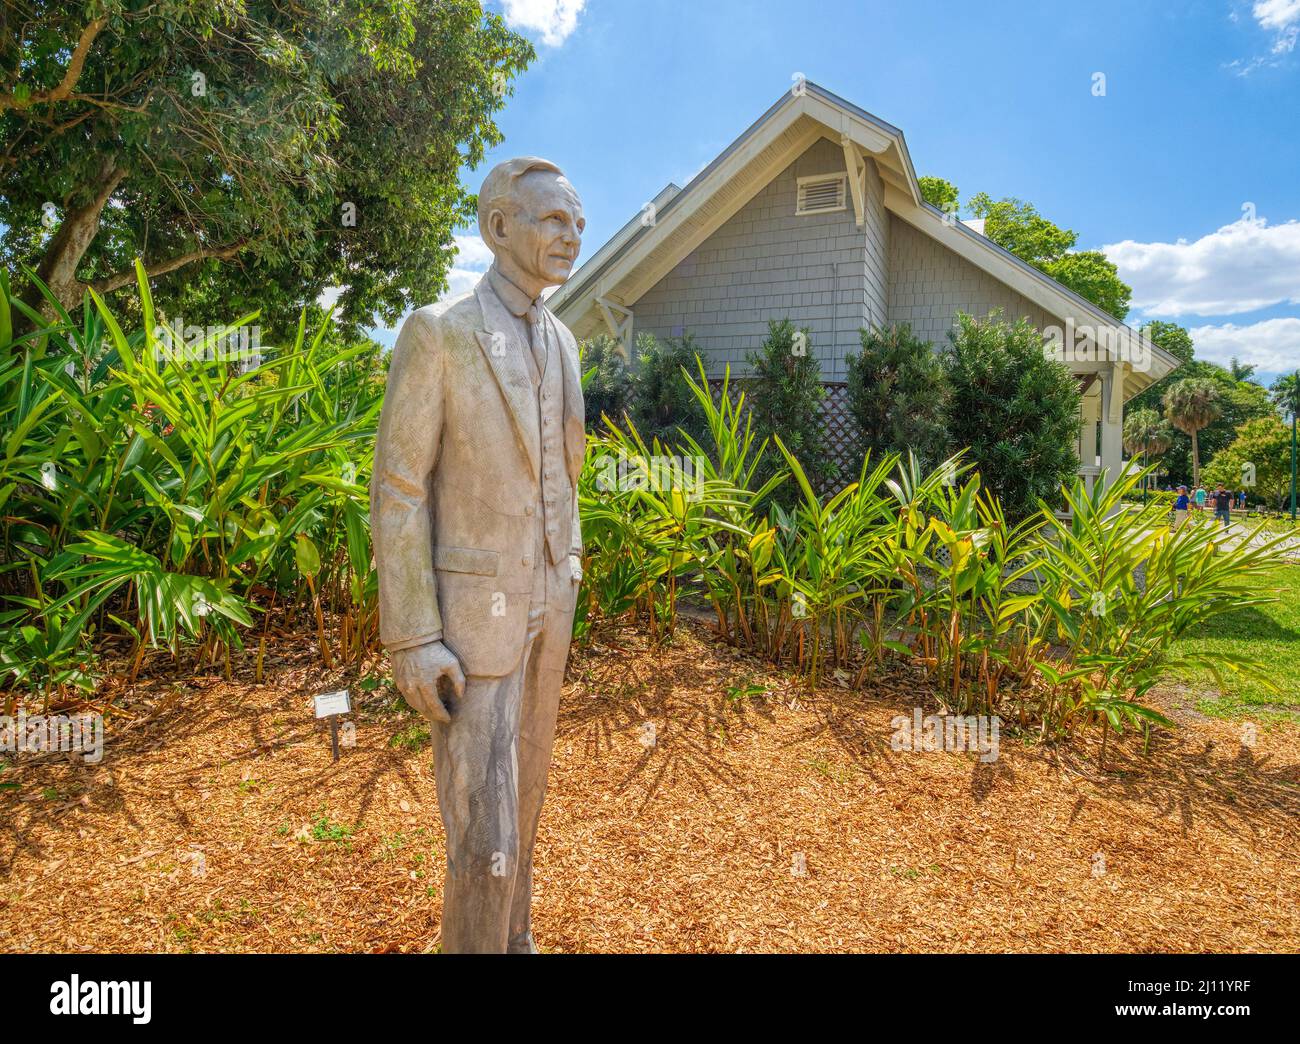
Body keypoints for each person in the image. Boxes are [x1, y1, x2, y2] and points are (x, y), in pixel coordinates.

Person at [371, 156, 586, 953]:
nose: (571, 236)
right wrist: (414, 636)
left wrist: (569, 560)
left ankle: (515, 940)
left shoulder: (564, 339)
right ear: (500, 228)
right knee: (480, 820)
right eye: (553, 220)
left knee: (524, 801)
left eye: (577, 225)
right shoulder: (442, 330)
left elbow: (563, 467)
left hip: (549, 604)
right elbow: (398, 487)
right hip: (469, 621)